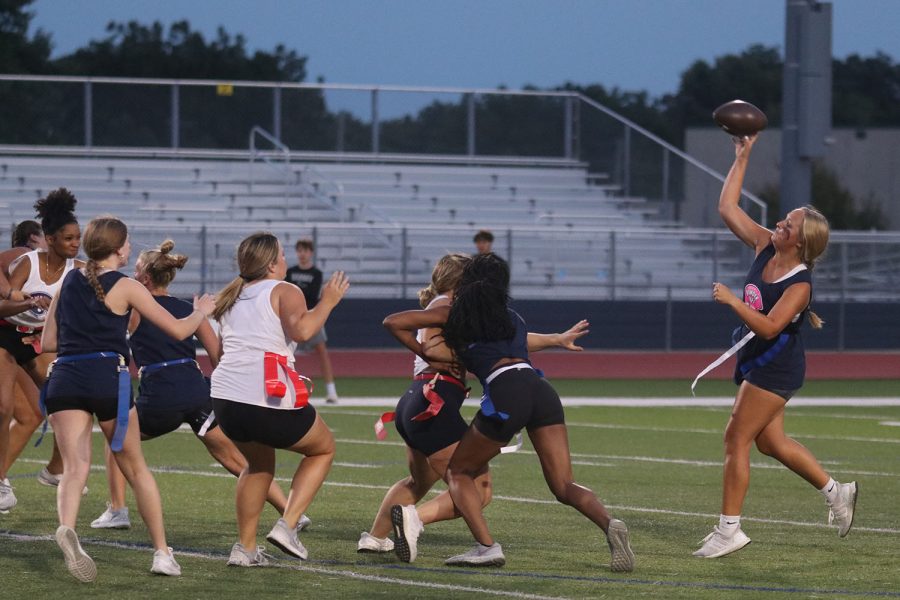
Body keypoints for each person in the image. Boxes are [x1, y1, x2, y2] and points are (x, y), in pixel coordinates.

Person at [410, 253, 634, 571]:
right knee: (564, 485)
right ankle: (609, 522)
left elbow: (421, 339)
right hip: (540, 389)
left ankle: (485, 547)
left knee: (458, 471)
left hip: (505, 392)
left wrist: (424, 347)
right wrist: (556, 339)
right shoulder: (511, 316)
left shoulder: (461, 318)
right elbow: (521, 342)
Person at [368, 253, 592, 564]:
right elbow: (424, 341)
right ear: (464, 281)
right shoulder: (450, 307)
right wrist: (436, 355)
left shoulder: (452, 307)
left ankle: (375, 539)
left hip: (417, 399)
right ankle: (422, 523)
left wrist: (555, 338)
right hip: (435, 400)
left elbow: (510, 340)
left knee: (418, 482)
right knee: (478, 488)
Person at [693, 134, 857, 558]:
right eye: (783, 220)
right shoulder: (766, 245)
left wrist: (731, 300)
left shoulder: (800, 285)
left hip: (777, 365)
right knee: (771, 443)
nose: (779, 225)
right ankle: (837, 491)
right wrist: (742, 157)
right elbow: (727, 207)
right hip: (757, 360)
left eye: (788, 225)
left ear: (800, 242)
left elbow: (769, 328)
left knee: (735, 438)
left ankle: (730, 530)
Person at [91, 240, 309, 534]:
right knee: (236, 460)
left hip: (160, 395)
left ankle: (117, 509)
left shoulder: (135, 310)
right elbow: (218, 356)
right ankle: (290, 512)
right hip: (198, 392)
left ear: (144, 278)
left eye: (137, 270)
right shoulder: (188, 310)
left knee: (115, 438)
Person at [41, 216, 216, 581]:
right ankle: (162, 553)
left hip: (64, 377)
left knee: (74, 469)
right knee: (136, 470)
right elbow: (180, 328)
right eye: (128, 242)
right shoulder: (126, 286)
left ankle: (68, 528)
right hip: (105, 376)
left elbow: (47, 343)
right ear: (119, 249)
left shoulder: (69, 279)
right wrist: (203, 311)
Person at [210, 232, 348, 566]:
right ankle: (287, 525)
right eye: (282, 255)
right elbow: (302, 331)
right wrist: (328, 301)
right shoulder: (285, 289)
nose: (286, 260)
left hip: (225, 398)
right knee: (323, 448)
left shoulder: (231, 295)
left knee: (257, 466)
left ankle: (244, 549)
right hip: (262, 395)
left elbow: (221, 354)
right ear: (272, 263)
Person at [0, 194, 83, 513]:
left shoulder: (78, 269)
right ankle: (2, 480)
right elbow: (4, 306)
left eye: (78, 237)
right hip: (5, 333)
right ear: (49, 240)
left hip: (36, 339)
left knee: (71, 398)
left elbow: (108, 285)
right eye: (69, 238)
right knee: (4, 406)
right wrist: (24, 301)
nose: (76, 243)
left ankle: (56, 470)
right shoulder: (28, 261)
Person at [285, 238, 338, 404]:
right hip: (292, 317)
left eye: (305, 250)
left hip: (311, 315)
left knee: (322, 353)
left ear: (311, 253)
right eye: (300, 250)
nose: (302, 254)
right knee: (285, 354)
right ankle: (286, 389)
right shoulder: (290, 271)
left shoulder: (316, 273)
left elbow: (312, 296)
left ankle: (331, 391)